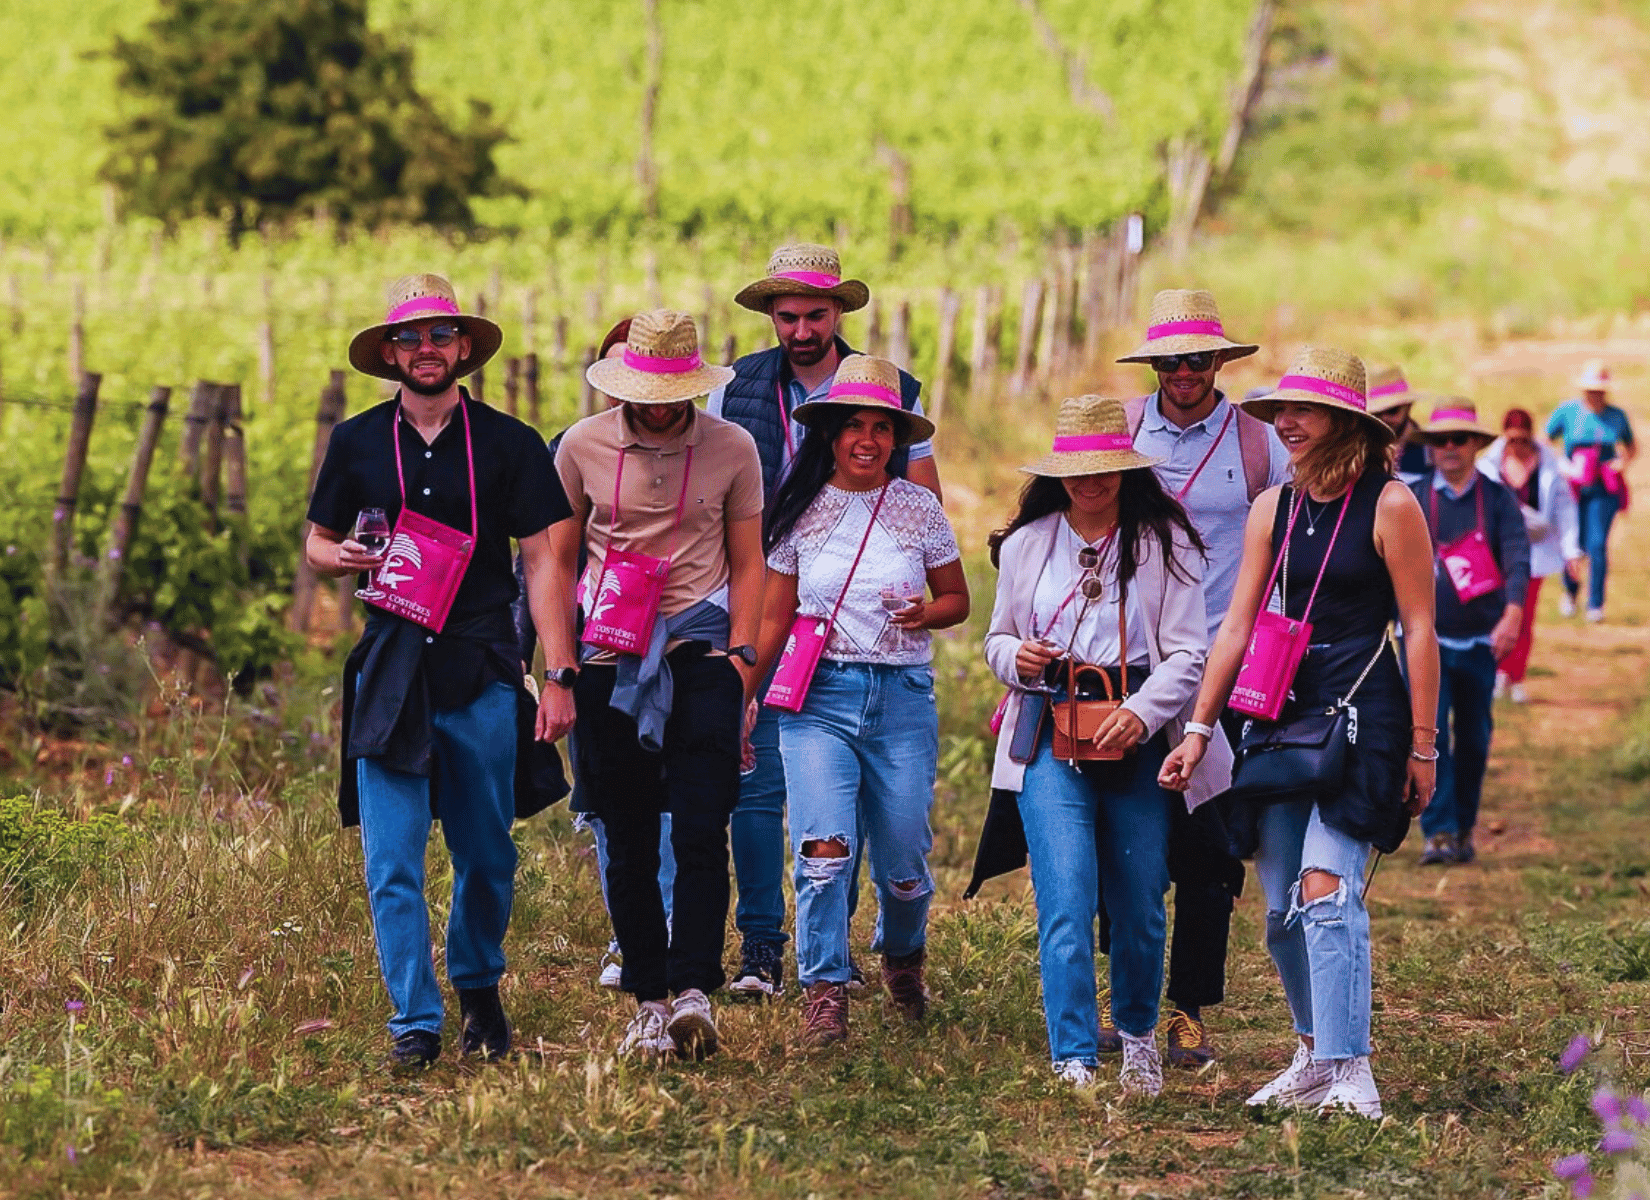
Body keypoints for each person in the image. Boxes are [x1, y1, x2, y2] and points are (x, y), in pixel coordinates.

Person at [1162, 346, 1440, 1120]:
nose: (1284, 423)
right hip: (1280, 710)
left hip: (1365, 712)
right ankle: (1314, 1051)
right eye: (1278, 412)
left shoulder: (1391, 505)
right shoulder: (1272, 509)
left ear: (1345, 422)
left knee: (1328, 887)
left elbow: (1419, 628)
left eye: (1301, 412)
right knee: (1281, 903)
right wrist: (1198, 728)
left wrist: (1424, 743)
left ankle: (1353, 1070)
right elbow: (1237, 628)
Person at [305, 273, 574, 1071]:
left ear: (464, 348)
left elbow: (545, 561)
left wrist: (558, 673)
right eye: (410, 338)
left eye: (441, 336)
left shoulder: (510, 442)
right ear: (390, 352)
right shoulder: (356, 441)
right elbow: (318, 543)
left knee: (486, 851)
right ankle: (414, 1024)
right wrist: (342, 556)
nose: (427, 350)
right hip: (389, 672)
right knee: (390, 861)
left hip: (482, 667)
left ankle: (479, 983)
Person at [707, 243, 944, 997]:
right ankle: (770, 952)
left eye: (815, 314)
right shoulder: (735, 387)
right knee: (761, 786)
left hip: (868, 630)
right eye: (788, 316)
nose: (802, 329)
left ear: (839, 313)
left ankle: (859, 943)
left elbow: (927, 510)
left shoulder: (893, 391)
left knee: (874, 823)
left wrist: (915, 586)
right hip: (757, 593)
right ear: (770, 316)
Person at [983, 394, 1232, 1096]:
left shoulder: (1164, 543)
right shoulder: (1029, 543)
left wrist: (1145, 713)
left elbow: (1188, 652)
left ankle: (1139, 1036)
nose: (1091, 481)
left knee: (1141, 898)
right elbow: (996, 638)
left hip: (1136, 737)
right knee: (1064, 894)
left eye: (1105, 468)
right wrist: (1017, 660)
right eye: (1078, 469)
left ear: (1126, 469)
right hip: (1051, 729)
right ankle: (1072, 1051)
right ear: (1059, 473)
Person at [550, 309, 765, 1060]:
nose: (662, 403)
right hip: (610, 656)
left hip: (700, 653)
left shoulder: (733, 447)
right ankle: (647, 996)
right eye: (648, 388)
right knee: (628, 837)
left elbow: (750, 561)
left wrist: (742, 662)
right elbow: (554, 561)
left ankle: (696, 989)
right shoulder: (581, 446)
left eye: (676, 389)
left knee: (705, 826)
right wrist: (557, 667)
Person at [750, 355, 969, 1045]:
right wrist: (744, 697)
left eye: (881, 428)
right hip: (817, 696)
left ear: (896, 437)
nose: (867, 440)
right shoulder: (798, 508)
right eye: (853, 427)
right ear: (831, 434)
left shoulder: (918, 507)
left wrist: (924, 616)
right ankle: (824, 985)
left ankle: (902, 955)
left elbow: (957, 598)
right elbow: (772, 618)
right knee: (823, 847)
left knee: (903, 859)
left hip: (901, 696)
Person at [1114, 287, 1288, 1068]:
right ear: (1154, 364)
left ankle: (1186, 1010)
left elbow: (1296, 535)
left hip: (1225, 671)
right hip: (1127, 669)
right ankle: (1126, 1003)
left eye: (1199, 358)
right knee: (1125, 844)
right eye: (1171, 359)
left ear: (1221, 361)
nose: (1185, 371)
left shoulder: (1259, 443)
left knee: (1211, 853)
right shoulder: (1119, 432)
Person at [512, 319, 679, 991]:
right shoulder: (568, 451)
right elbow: (541, 567)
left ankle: (663, 932)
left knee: (672, 800)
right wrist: (541, 665)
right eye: (615, 377)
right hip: (594, 652)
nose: (627, 394)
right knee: (610, 804)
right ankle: (631, 935)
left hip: (673, 652)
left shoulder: (693, 452)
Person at [1407, 402, 1531, 866]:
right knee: (1430, 736)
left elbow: (1518, 557)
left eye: (1459, 438)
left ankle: (1464, 826)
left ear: (1477, 444)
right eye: (1440, 440)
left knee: (1475, 737)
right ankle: (1437, 832)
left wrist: (1512, 614)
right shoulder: (1413, 497)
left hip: (1481, 640)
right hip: (1427, 644)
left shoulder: (1499, 500)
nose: (1450, 448)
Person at [1479, 408, 1582, 703]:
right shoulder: (1489, 465)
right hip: (1498, 552)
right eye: (1512, 440)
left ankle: (1517, 675)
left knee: (1523, 615)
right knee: (1497, 614)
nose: (1518, 447)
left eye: (1524, 440)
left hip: (1535, 551)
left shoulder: (1548, 464)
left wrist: (1571, 550)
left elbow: (1565, 508)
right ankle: (1498, 672)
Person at [1546, 360, 1636, 621]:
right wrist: (1561, 464)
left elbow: (1630, 447)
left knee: (1597, 544)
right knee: (1574, 543)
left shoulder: (1616, 416)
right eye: (1590, 390)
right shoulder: (1568, 412)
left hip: (1603, 489)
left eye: (1599, 390)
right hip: (1573, 487)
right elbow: (1544, 440)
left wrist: (1622, 462)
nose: (1595, 394)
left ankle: (1596, 603)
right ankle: (1571, 591)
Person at [1367, 365, 1431, 484]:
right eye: (1376, 413)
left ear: (1408, 407)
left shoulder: (1431, 449)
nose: (1384, 418)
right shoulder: (1362, 450)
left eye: (1392, 410)